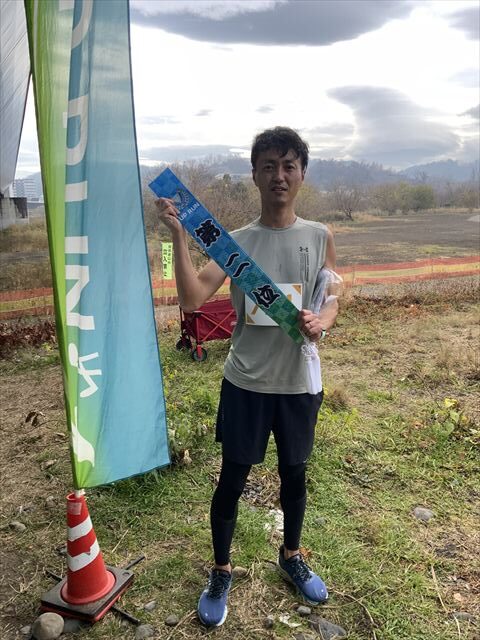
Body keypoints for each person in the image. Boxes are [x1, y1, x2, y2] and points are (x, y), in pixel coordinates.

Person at [156, 126, 338, 627]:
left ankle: (292, 556)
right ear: (254, 175)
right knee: (232, 479)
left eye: (288, 166)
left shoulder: (320, 235)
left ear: (302, 173)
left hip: (299, 385)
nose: (279, 175)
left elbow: (332, 295)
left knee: (295, 474)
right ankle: (220, 570)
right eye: (268, 167)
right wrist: (179, 235)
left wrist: (323, 321)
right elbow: (192, 298)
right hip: (246, 384)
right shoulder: (233, 242)